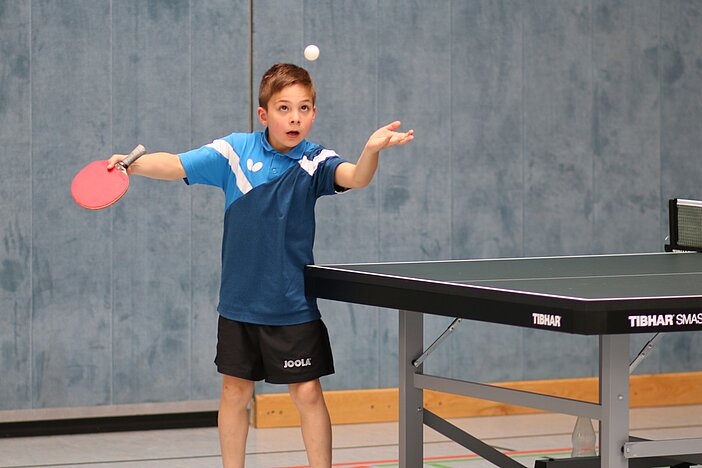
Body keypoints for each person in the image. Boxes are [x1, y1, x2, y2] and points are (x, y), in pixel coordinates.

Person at [108, 63, 413, 468]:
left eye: (304, 108)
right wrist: (133, 165)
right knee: (235, 392)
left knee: (307, 393)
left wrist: (370, 151)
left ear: (314, 113)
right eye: (284, 108)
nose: (294, 117)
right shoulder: (235, 152)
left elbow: (356, 177)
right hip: (239, 302)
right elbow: (178, 164)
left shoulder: (315, 161)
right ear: (263, 114)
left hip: (291, 304)